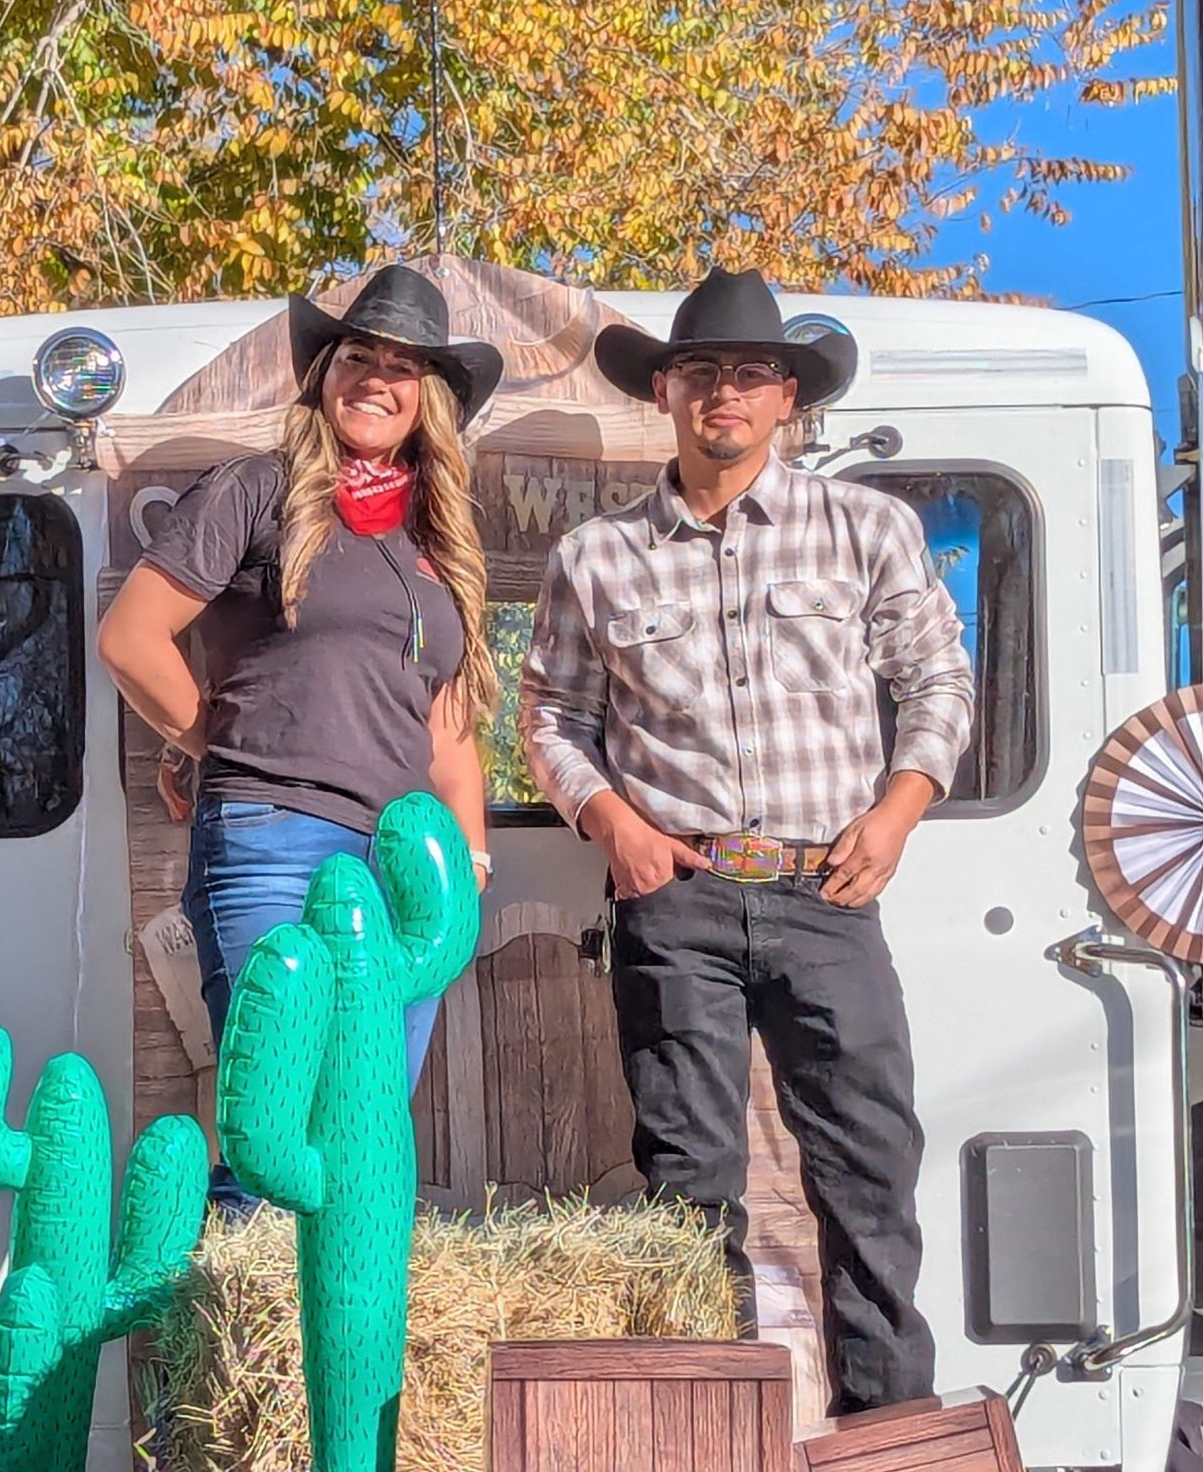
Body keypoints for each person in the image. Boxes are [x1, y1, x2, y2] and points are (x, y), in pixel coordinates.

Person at [518, 266, 973, 1414]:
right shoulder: (593, 557)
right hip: (676, 901)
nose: (724, 391)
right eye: (702, 371)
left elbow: (935, 679)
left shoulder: (863, 526)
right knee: (687, 1183)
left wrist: (898, 806)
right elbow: (552, 719)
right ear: (664, 390)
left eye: (750, 374)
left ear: (784, 400)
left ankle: (887, 1427)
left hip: (828, 885)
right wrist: (611, 820)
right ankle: (713, 1430)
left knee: (868, 1167)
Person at [99, 263, 502, 1213]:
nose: (377, 378)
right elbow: (130, 637)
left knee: (361, 1129)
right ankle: (245, 1355)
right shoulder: (255, 492)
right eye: (359, 355)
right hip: (274, 839)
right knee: (276, 1122)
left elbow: (443, 715)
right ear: (325, 373)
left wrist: (470, 855)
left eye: (403, 368)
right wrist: (218, 745)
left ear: (428, 402)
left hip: (406, 866)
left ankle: (330, 1350)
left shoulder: (434, 539)